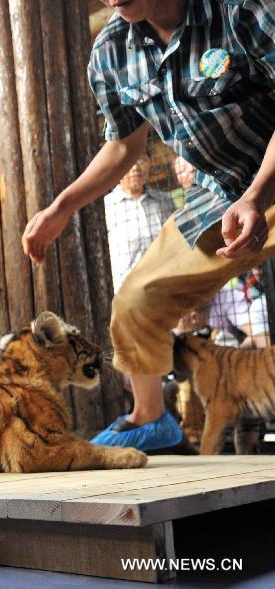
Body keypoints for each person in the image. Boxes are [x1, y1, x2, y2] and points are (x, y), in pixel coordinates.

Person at [22, 0, 274, 453]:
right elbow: (124, 144)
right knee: (137, 301)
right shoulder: (110, 51)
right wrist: (63, 205)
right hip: (221, 197)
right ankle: (151, 418)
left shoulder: (241, 10)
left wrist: (258, 194)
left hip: (265, 179)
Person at [104, 153, 176, 292]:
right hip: (125, 292)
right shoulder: (107, 207)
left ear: (149, 164)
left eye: (142, 160)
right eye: (130, 162)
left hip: (164, 289)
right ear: (118, 168)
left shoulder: (164, 201)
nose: (136, 167)